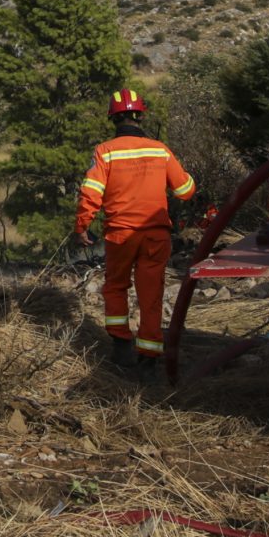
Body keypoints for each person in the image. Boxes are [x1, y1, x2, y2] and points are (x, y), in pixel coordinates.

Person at [71, 88, 196, 379]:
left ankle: (121, 344)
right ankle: (149, 357)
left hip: (120, 235)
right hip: (156, 235)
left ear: (113, 119)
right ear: (140, 114)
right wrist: (187, 179)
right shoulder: (160, 149)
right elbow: (185, 191)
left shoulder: (105, 151)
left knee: (115, 287)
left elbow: (91, 193)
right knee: (150, 294)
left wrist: (82, 226)